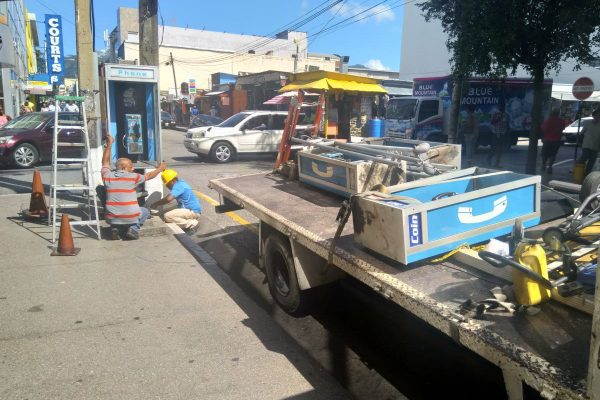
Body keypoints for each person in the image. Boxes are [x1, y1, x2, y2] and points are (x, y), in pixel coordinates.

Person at [101, 134, 166, 240]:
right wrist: (159, 169)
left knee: (116, 213)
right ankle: (133, 229)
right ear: (123, 167)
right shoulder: (133, 177)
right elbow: (149, 176)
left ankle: (115, 228)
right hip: (130, 217)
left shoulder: (107, 176)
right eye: (130, 167)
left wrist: (109, 144)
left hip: (111, 217)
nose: (133, 169)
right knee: (144, 211)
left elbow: (105, 162)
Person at [149, 169, 201, 235]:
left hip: (192, 211)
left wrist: (155, 204)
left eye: (167, 184)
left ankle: (192, 224)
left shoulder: (178, 186)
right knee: (164, 214)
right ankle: (187, 222)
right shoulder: (180, 183)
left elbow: (168, 199)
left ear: (173, 181)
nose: (167, 186)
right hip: (189, 209)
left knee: (167, 216)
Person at [541, 109, 566, 174]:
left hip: (547, 140)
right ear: (558, 114)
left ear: (551, 114)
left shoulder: (547, 121)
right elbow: (562, 129)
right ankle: (550, 167)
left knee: (544, 154)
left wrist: (543, 138)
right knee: (553, 154)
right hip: (556, 140)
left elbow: (543, 130)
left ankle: (543, 165)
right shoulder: (561, 121)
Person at [578, 108, 600, 175]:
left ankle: (586, 174)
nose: (598, 117)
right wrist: (580, 142)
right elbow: (581, 134)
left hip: (596, 146)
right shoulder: (588, 123)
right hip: (586, 145)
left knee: (591, 161)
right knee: (584, 157)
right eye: (597, 115)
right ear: (594, 116)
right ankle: (578, 169)